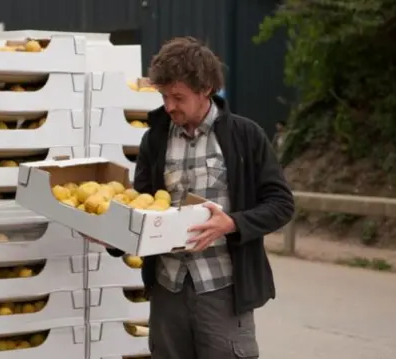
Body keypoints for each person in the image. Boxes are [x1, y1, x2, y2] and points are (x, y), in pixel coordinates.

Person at [86, 37, 295, 358]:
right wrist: (110, 235)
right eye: (164, 96)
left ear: (206, 89)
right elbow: (141, 211)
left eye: (178, 97)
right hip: (168, 289)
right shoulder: (154, 139)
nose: (169, 106)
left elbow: (281, 204)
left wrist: (233, 223)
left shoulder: (246, 136)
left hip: (224, 290)